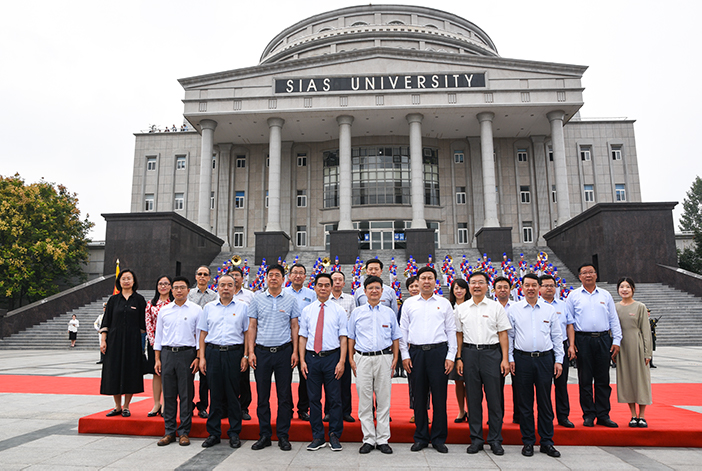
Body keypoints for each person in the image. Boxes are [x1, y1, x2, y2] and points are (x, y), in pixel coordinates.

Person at [400, 266, 456, 454]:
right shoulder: (409, 303)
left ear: (435, 282)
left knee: (440, 397)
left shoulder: (444, 303)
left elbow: (451, 330)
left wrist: (451, 356)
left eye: (430, 278)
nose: (426, 281)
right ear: (418, 281)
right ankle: (421, 437)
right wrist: (405, 355)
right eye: (423, 278)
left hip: (438, 352)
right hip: (416, 353)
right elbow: (403, 330)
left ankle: (439, 438)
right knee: (419, 397)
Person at [508, 273, 564, 458]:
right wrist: (510, 358)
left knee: (545, 402)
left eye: (534, 285)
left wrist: (559, 360)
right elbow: (510, 336)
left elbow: (556, 336)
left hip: (544, 359)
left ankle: (547, 441)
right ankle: (528, 441)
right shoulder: (514, 309)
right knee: (525, 403)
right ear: (522, 288)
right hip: (522, 359)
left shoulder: (549, 309)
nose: (530, 288)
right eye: (527, 285)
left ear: (539, 287)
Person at [456, 271, 511, 456]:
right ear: (469, 286)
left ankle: (495, 439)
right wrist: (459, 358)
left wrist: (505, 359)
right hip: (469, 354)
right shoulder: (462, 308)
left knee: (494, 399)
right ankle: (476, 439)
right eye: (473, 282)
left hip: (492, 354)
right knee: (473, 399)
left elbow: (503, 334)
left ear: (487, 286)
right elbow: (459, 335)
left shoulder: (496, 307)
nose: (477, 286)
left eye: (481, 282)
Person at [247, 264, 300, 451]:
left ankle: (283, 435)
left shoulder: (291, 300)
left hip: (284, 352)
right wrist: (250, 352)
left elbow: (295, 326)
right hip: (262, 352)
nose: (274, 278)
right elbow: (252, 326)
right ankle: (265, 435)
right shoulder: (257, 299)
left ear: (283, 279)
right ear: (266, 278)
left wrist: (295, 351)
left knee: (284, 396)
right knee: (263, 396)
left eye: (277, 275)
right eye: (271, 275)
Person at [348, 275, 401, 454]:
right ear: (365, 291)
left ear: (382, 291)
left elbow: (395, 336)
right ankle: (369, 439)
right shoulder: (357, 312)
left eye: (377, 288)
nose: (374, 291)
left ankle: (383, 439)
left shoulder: (389, 313)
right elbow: (351, 337)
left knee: (384, 400)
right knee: (365, 400)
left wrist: (395, 357)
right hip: (362, 358)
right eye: (370, 288)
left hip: (384, 358)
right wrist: (351, 358)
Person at [565, 263, 623, 428]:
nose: (588, 275)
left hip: (603, 339)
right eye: (584, 273)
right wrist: (571, 344)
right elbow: (569, 322)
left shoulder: (605, 295)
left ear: (596, 275)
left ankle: (603, 414)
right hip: (583, 340)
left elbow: (613, 319)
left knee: (603, 379)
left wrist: (616, 340)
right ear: (580, 277)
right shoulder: (573, 296)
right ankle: (589, 414)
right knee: (585, 380)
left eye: (591, 272)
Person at [198, 274, 249, 449]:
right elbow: (203, 333)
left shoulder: (243, 307)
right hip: (213, 353)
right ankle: (214, 433)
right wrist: (202, 357)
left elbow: (247, 333)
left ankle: (234, 433)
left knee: (233, 394)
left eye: (229, 285)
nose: (226, 288)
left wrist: (246, 356)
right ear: (217, 287)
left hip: (234, 353)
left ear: (235, 288)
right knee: (215, 394)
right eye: (222, 285)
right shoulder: (209, 307)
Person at [299, 273, 348, 451]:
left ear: (331, 287)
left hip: (332, 358)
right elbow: (303, 336)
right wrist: (302, 360)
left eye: (327, 285)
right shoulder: (307, 310)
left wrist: (342, 361)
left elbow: (343, 337)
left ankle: (334, 434)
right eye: (320, 285)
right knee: (314, 399)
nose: (323, 288)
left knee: (334, 399)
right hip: (312, 359)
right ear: (315, 287)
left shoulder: (339, 310)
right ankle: (318, 436)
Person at [154, 276, 202, 447]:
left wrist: (198, 357)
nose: (179, 290)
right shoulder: (164, 310)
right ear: (171, 290)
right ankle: (169, 432)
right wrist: (157, 359)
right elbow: (158, 336)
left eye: (182, 287)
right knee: (168, 394)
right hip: (167, 354)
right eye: (176, 288)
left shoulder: (196, 310)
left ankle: (184, 432)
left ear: (188, 290)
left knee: (186, 395)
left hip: (187, 354)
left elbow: (200, 336)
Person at [99, 269, 146, 417]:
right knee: (114, 371)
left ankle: (126, 406)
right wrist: (103, 340)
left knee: (131, 372)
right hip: (114, 341)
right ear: (119, 281)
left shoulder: (139, 300)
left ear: (134, 281)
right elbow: (106, 321)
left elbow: (143, 324)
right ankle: (117, 406)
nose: (126, 281)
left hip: (133, 341)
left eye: (129, 278)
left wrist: (142, 344)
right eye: (123, 278)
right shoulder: (113, 300)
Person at [615, 277, 653, 428]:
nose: (624, 290)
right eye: (621, 287)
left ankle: (642, 415)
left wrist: (647, 353)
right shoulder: (615, 307)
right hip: (622, 348)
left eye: (627, 287)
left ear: (633, 289)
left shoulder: (640, 307)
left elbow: (646, 331)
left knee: (641, 380)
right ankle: (632, 415)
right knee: (627, 380)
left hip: (637, 346)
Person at [540, 274, 574, 428]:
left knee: (561, 384)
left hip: (561, 347)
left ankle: (563, 416)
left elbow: (570, 325)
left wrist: (571, 345)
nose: (549, 288)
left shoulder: (563, 305)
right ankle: (546, 417)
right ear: (540, 288)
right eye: (546, 285)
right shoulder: (536, 305)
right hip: (544, 350)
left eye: (552, 285)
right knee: (544, 385)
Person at [285, 263, 315, 421]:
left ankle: (303, 408)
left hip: (306, 341)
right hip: (286, 341)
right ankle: (287, 408)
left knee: (305, 376)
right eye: (295, 272)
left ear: (305, 277)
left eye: (301, 273)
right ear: (289, 276)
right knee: (285, 377)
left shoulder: (312, 294)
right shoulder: (283, 293)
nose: (297, 275)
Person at [188, 266, 218, 419]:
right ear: (195, 276)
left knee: (205, 376)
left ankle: (203, 406)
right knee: (188, 376)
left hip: (206, 339)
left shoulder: (214, 296)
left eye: (205, 274)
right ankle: (187, 405)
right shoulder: (189, 294)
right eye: (199, 274)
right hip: (189, 339)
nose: (202, 277)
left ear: (209, 278)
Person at [327, 270, 356, 423]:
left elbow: (353, 322)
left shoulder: (350, 299)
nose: (337, 282)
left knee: (345, 380)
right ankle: (329, 411)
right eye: (334, 279)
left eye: (340, 279)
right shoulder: (325, 299)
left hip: (345, 345)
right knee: (329, 380)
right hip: (329, 345)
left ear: (344, 283)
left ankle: (346, 411)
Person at [144, 275, 173, 417]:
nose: (163, 286)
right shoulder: (151, 304)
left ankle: (166, 404)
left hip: (170, 342)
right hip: (154, 341)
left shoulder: (174, 303)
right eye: (160, 284)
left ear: (171, 286)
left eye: (166, 284)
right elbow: (148, 324)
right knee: (156, 373)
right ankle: (156, 403)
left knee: (168, 374)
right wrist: (154, 343)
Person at [230, 266, 254, 421]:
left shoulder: (250, 296)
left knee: (243, 377)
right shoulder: (221, 294)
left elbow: (253, 321)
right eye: (231, 275)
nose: (234, 277)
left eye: (237, 275)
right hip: (227, 340)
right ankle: (227, 407)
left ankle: (244, 407)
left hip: (243, 341)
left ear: (242, 278)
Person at [492, 276, 515, 424]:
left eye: (505, 287)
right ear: (494, 290)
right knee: (495, 386)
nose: (502, 290)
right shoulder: (490, 307)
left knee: (519, 385)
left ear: (510, 289)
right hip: (495, 350)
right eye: (499, 287)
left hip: (515, 349)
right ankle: (497, 417)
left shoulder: (517, 307)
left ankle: (518, 415)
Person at [448, 279, 470, 423]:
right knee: (458, 381)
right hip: (454, 348)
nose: (459, 291)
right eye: (456, 288)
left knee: (471, 382)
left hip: (470, 346)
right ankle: (461, 411)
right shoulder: (449, 307)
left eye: (461, 288)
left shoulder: (471, 305)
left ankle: (472, 410)